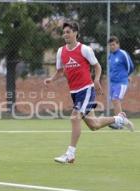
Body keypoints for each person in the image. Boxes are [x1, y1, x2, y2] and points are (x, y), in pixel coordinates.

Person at [44, 21, 134, 164]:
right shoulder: (61, 51)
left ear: (75, 33)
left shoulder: (85, 49)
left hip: (86, 90)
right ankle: (119, 119)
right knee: (94, 125)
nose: (65, 35)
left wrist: (97, 80)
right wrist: (51, 79)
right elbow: (60, 71)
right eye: (64, 32)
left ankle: (70, 154)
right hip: (74, 92)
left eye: (68, 32)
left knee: (74, 118)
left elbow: (97, 67)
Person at [108, 36, 135, 129]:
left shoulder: (123, 54)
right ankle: (120, 122)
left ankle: (120, 123)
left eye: (113, 44)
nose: (112, 47)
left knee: (116, 100)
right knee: (114, 101)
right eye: (110, 45)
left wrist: (127, 76)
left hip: (121, 82)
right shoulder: (110, 56)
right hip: (113, 83)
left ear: (118, 44)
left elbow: (130, 66)